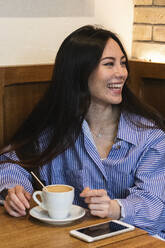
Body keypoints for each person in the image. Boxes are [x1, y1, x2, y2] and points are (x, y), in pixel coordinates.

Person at [0, 25, 165, 239]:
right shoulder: (56, 131)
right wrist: (14, 190)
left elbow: (156, 204)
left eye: (123, 63)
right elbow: (10, 162)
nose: (121, 73)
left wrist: (115, 208)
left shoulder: (151, 137)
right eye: (109, 64)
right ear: (79, 71)